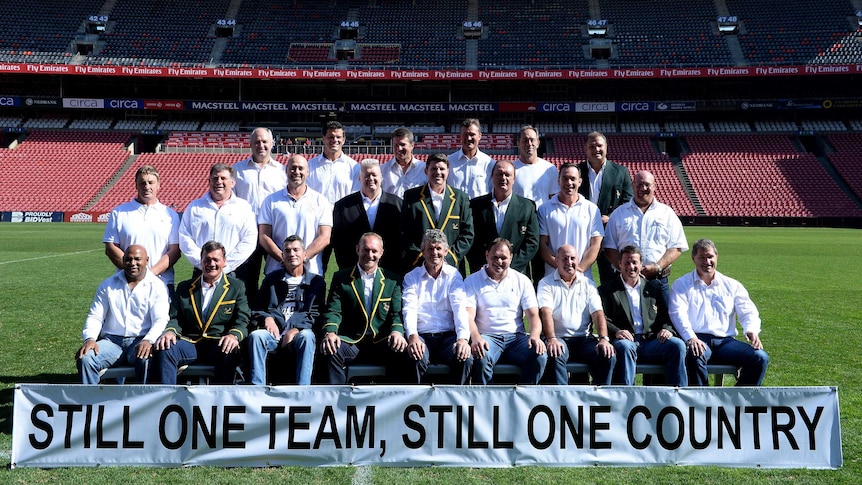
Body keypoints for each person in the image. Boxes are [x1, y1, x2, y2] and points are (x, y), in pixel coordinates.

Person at [669, 238, 769, 386]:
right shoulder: (682, 285)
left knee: (760, 357)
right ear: (693, 259)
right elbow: (678, 313)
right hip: (698, 339)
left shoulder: (732, 285)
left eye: (710, 257)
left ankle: (735, 402)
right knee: (695, 354)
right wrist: (691, 338)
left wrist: (751, 330)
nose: (706, 261)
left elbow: (748, 310)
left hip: (725, 342)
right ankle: (703, 403)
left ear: (717, 256)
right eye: (701, 257)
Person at [153, 241, 250, 384]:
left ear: (224, 262)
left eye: (216, 260)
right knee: (165, 348)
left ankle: (220, 401)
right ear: (201, 261)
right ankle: (166, 400)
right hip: (190, 343)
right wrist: (170, 332)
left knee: (230, 349)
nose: (211, 264)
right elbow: (175, 318)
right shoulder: (185, 287)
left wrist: (233, 335)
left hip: (219, 344)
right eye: (207, 259)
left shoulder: (237, 287)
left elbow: (243, 320)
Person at [319, 232, 407, 384]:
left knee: (401, 349)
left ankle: (392, 400)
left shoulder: (392, 280)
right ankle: (338, 400)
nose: (369, 255)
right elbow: (333, 310)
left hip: (381, 341)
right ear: (357, 249)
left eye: (374, 251)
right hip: (352, 340)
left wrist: (397, 332)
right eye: (365, 250)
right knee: (331, 349)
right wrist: (331, 333)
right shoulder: (341, 277)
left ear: (381, 253)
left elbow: (396, 313)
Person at [77, 245, 169, 384]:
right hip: (111, 342)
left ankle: (143, 402)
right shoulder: (108, 284)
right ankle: (92, 402)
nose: (133, 263)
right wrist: (90, 339)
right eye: (128, 259)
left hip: (140, 341)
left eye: (138, 259)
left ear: (147, 260)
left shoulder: (157, 286)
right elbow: (95, 316)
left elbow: (160, 320)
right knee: (86, 358)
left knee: (146, 359)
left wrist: (148, 340)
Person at [599, 245, 687, 386]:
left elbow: (666, 315)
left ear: (641, 265)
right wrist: (617, 331)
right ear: (619, 264)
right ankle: (627, 397)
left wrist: (666, 329)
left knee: (677, 345)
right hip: (625, 341)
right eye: (626, 262)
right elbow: (602, 318)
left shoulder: (653, 288)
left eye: (634, 262)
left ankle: (677, 396)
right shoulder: (607, 290)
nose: (631, 266)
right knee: (625, 347)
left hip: (651, 342)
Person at [246, 235, 325, 386]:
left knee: (307, 336)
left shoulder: (316, 282)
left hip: (299, 333)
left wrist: (296, 329)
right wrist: (267, 318)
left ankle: (303, 391)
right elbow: (257, 308)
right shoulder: (271, 279)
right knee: (256, 336)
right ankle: (257, 388)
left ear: (304, 254)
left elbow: (316, 313)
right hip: (273, 334)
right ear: (282, 255)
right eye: (287, 251)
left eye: (296, 250)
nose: (292, 254)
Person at [465, 238, 546, 384]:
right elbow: (468, 316)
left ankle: (524, 401)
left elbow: (533, 316)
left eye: (503, 258)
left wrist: (535, 336)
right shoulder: (472, 281)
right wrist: (476, 338)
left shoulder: (522, 280)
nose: (499, 261)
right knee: (481, 357)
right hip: (487, 337)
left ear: (511, 258)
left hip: (516, 338)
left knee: (539, 355)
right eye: (495, 257)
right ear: (487, 255)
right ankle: (484, 404)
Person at [603, 170, 687, 302]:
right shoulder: (618, 214)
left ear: (654, 186)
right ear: (632, 185)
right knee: (624, 322)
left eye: (647, 185)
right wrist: (627, 269)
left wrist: (657, 267)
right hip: (624, 282)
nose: (643, 188)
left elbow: (676, 247)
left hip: (658, 281)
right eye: (639, 184)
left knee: (662, 322)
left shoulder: (667, 213)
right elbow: (609, 248)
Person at [402, 229, 472, 384]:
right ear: (422, 251)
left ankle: (458, 403)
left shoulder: (454, 275)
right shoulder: (412, 277)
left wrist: (462, 339)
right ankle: (416, 404)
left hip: (448, 337)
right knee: (415, 355)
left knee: (465, 357)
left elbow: (459, 308)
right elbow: (409, 308)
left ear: (446, 251)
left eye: (438, 248)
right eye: (430, 248)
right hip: (422, 336)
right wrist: (412, 336)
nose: (434, 252)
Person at [538, 245, 615, 386]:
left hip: (584, 339)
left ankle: (600, 399)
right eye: (564, 258)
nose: (569, 262)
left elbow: (598, 314)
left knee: (607, 354)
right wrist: (552, 339)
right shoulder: (546, 283)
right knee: (556, 353)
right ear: (557, 260)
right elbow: (545, 313)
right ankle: (563, 400)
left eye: (572, 258)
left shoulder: (588, 284)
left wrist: (604, 338)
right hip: (559, 339)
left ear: (578, 260)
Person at [103, 165, 180, 292]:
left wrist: (149, 275)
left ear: (158, 185)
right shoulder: (119, 212)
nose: (147, 186)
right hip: (126, 284)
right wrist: (134, 273)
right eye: (142, 183)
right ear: (136, 185)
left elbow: (174, 251)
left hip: (162, 283)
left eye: (151, 182)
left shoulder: (171, 215)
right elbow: (111, 248)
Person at [233, 127, 287, 301]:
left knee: (277, 274)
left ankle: (271, 312)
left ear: (272, 144)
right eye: (257, 141)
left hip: (274, 233)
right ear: (250, 144)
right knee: (246, 278)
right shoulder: (237, 171)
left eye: (265, 141)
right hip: (247, 232)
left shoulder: (282, 171)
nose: (261, 145)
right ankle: (247, 317)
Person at [258, 155, 332, 276]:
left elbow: (324, 237)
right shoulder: (271, 201)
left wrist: (302, 258)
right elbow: (264, 236)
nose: (296, 172)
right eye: (293, 168)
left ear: (307, 172)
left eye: (300, 168)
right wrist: (284, 259)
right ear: (286, 170)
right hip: (276, 270)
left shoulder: (320, 201)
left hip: (311, 272)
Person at [178, 163, 257, 276]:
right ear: (209, 181)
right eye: (215, 178)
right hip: (201, 272)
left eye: (223, 178)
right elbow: (185, 237)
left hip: (234, 272)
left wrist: (226, 265)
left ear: (232, 183)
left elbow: (249, 240)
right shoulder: (194, 207)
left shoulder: (244, 208)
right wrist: (203, 263)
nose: (219, 181)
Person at [401, 153, 474, 273]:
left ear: (448, 171)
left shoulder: (461, 198)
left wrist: (449, 257)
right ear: (426, 171)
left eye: (442, 169)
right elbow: (404, 233)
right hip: (420, 267)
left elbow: (467, 234)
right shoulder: (411, 197)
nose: (438, 172)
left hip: (451, 267)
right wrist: (423, 257)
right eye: (434, 169)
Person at [577, 132, 633, 285]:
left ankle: (609, 309)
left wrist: (611, 217)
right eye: (592, 146)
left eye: (599, 145)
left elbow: (628, 203)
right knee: (578, 275)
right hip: (582, 234)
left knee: (611, 280)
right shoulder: (577, 171)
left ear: (606, 147)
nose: (596, 149)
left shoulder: (621, 172)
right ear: (585, 149)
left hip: (609, 234)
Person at [332, 158, 403, 274]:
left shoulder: (397, 204)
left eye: (374, 175)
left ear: (381, 178)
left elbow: (400, 241)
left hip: (389, 273)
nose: (370, 179)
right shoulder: (343, 206)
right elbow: (339, 244)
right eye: (366, 175)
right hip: (353, 273)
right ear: (359, 178)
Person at [467, 159, 539, 275]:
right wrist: (486, 266)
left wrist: (510, 266)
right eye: (499, 174)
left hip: (516, 273)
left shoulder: (527, 206)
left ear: (514, 179)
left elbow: (532, 242)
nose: (503, 178)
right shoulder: (476, 205)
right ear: (492, 176)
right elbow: (471, 240)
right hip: (483, 273)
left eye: (508, 175)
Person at [538, 162, 604, 282]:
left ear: (580, 181)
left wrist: (579, 269)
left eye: (573, 179)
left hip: (582, 276)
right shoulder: (545, 209)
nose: (569, 183)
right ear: (558, 180)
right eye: (565, 178)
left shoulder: (591, 209)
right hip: (553, 276)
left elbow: (595, 244)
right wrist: (561, 268)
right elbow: (542, 245)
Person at [306, 120, 359, 204]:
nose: (334, 140)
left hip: (343, 216)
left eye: (338, 137)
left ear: (343, 140)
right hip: (317, 215)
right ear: (323, 139)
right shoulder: (310, 166)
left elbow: (356, 197)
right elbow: (306, 196)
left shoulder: (354, 167)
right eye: (330, 137)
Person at [513, 125, 558, 210]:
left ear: (538, 143)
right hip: (519, 220)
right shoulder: (512, 170)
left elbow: (555, 199)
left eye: (532, 140)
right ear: (518, 143)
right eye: (525, 140)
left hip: (543, 220)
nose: (529, 144)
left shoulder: (550, 169)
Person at [447, 118, 494, 199]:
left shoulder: (489, 163)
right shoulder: (449, 161)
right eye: (465, 134)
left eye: (472, 134)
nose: (468, 138)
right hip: (455, 210)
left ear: (479, 136)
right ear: (460, 136)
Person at [381, 127, 426, 198]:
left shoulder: (424, 169)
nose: (399, 148)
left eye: (402, 144)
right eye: (396, 145)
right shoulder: (382, 170)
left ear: (412, 146)